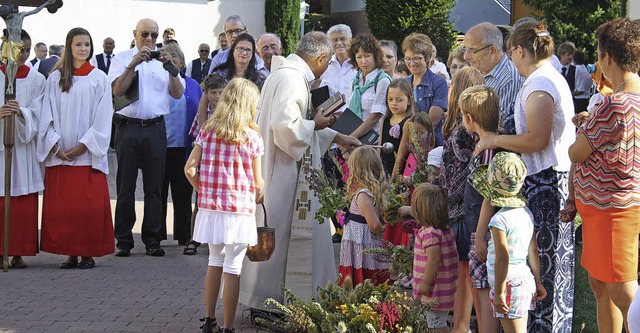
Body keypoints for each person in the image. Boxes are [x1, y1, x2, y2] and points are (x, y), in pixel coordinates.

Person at [239, 31, 360, 308]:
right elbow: (286, 129)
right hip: (284, 175)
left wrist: (336, 135)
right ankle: (273, 303)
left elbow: (295, 125)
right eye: (328, 61)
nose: (327, 66)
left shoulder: (285, 74)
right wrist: (316, 123)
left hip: (284, 170)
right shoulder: (292, 79)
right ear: (320, 58)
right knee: (282, 238)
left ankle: (273, 301)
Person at [475, 20, 575, 333]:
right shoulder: (542, 79)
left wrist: (494, 139)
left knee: (543, 269)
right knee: (543, 266)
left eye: (512, 53)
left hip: (547, 183)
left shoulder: (539, 84)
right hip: (546, 181)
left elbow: (536, 140)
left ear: (519, 50)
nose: (512, 60)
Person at [569, 18, 640, 333]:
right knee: (601, 285)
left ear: (608, 58)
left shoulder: (613, 106)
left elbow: (576, 152)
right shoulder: (624, 102)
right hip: (608, 210)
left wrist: (584, 125)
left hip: (612, 211)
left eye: (598, 56)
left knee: (623, 291)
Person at [184, 78, 264, 333]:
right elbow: (259, 183)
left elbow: (189, 168)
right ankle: (228, 326)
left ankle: (209, 320)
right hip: (239, 210)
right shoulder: (252, 137)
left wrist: (202, 189)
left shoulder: (207, 129)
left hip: (211, 207)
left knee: (214, 261)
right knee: (233, 267)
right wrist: (258, 194)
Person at [37, 27, 114, 269]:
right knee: (66, 208)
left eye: (87, 45)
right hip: (60, 154)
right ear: (69, 47)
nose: (83, 49)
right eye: (79, 45)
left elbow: (104, 117)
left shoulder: (99, 78)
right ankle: (70, 252)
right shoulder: (55, 78)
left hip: (87, 155)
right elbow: (45, 115)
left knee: (86, 206)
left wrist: (83, 146)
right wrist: (54, 145)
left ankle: (87, 252)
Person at [109, 18, 185, 257]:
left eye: (154, 35)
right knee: (125, 185)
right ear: (135, 34)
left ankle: (152, 239)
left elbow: (177, 93)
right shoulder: (121, 58)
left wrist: (171, 67)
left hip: (155, 128)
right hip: (128, 127)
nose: (150, 40)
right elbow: (117, 91)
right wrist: (132, 64)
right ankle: (123, 240)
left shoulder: (163, 60)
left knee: (154, 186)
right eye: (145, 35)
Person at [470, 151, 546, 333]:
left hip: (507, 284)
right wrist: (538, 281)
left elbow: (502, 257)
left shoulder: (499, 221)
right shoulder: (526, 214)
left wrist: (499, 291)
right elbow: (533, 251)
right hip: (524, 279)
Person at [440, 66, 484, 333]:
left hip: (463, 210)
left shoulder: (461, 131)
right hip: (466, 209)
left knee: (468, 272)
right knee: (467, 272)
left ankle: (463, 325)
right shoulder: (470, 127)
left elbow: (463, 170)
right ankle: (462, 324)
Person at [459, 84, 503, 333]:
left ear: (470, 118)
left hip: (483, 231)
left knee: (486, 288)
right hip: (482, 228)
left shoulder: (487, 150)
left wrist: (480, 237)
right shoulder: (490, 142)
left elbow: (488, 196)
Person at [0, 29, 45, 269]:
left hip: (22, 147)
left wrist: (22, 113)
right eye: (18, 49)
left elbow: (40, 113)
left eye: (27, 50)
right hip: (0, 149)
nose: (23, 55)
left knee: (22, 198)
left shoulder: (37, 79)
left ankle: (18, 251)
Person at [158, 42, 201, 247]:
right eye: (165, 55)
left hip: (184, 148)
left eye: (174, 56)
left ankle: (184, 235)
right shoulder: (157, 82)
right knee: (157, 192)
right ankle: (156, 234)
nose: (169, 59)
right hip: (159, 147)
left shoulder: (192, 84)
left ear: (182, 63)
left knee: (182, 194)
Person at [184, 73, 227, 256]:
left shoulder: (227, 113)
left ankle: (218, 239)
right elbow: (195, 136)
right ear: (206, 93)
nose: (216, 97)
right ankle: (194, 238)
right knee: (199, 201)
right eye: (213, 92)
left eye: (220, 92)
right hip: (205, 163)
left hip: (222, 163)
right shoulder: (203, 113)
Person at [337, 146, 389, 286]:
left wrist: (380, 229)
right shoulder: (370, 192)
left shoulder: (363, 195)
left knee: (362, 281)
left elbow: (374, 225)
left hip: (361, 246)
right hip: (360, 243)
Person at [411, 183, 458, 333]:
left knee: (436, 323)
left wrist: (425, 283)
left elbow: (433, 259)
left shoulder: (429, 233)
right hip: (444, 287)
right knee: (435, 321)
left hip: (434, 288)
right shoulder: (442, 228)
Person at [463, 22, 522, 135]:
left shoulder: (509, 79)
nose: (466, 56)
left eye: (472, 50)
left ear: (492, 50)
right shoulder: (478, 71)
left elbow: (501, 129)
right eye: (465, 49)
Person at [402, 33, 448, 147]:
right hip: (405, 144)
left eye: (416, 58)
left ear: (427, 58)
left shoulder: (438, 83)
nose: (412, 63)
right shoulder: (404, 83)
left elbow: (432, 122)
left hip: (430, 145)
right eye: (408, 59)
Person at [343, 33, 391, 140]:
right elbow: (349, 112)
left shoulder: (382, 81)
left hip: (373, 140)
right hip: (352, 138)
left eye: (367, 56)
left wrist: (350, 138)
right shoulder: (354, 81)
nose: (363, 61)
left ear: (375, 56)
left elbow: (375, 118)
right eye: (359, 57)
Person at [379, 78, 414, 176]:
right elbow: (380, 147)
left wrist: (393, 180)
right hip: (382, 169)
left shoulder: (408, 122)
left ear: (409, 101)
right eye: (390, 99)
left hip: (397, 171)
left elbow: (401, 155)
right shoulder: (386, 119)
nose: (394, 103)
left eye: (399, 100)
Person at [321, 24, 357, 100]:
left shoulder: (358, 64)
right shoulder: (325, 66)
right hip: (331, 111)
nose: (339, 43)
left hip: (353, 111)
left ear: (350, 40)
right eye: (335, 40)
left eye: (343, 39)